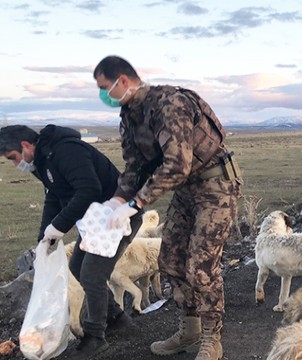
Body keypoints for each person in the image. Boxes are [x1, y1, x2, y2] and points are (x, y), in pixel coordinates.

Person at [93, 55, 242, 360]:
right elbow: (135, 166)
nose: (102, 95)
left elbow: (177, 165)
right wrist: (118, 200)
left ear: (123, 81)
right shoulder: (130, 115)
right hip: (187, 192)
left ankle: (212, 339)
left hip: (216, 188)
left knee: (201, 266)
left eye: (104, 87)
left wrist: (137, 203)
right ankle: (190, 331)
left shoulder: (169, 104)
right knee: (171, 260)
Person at [0, 124, 141, 359]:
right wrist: (45, 235)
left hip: (119, 216)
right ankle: (117, 319)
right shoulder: (43, 162)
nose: (17, 164)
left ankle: (96, 338)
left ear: (25, 145)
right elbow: (53, 196)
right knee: (77, 265)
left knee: (92, 273)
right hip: (97, 222)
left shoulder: (66, 151)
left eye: (14, 158)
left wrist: (60, 226)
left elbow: (88, 189)